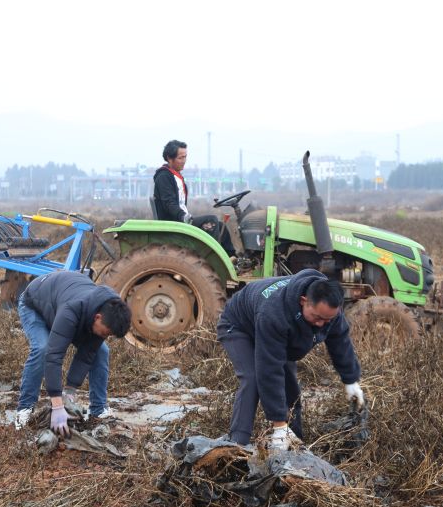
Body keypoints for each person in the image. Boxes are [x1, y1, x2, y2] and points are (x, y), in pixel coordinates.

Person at [217, 269, 365, 450]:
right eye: (317, 318)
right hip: (239, 325)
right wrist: (278, 424)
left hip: (271, 330)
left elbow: (340, 341)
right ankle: (238, 443)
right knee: (253, 377)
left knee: (290, 386)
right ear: (304, 301)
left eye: (326, 320)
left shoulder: (328, 310)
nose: (321, 324)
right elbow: (270, 369)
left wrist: (351, 380)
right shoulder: (274, 313)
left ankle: (294, 442)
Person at [14, 270, 132, 436]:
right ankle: (24, 409)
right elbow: (54, 357)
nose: (107, 336)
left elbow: (87, 355)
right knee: (43, 348)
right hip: (35, 305)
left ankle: (98, 409)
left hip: (61, 303)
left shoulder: (111, 309)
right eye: (106, 333)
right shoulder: (72, 310)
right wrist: (57, 405)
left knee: (101, 351)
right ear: (97, 317)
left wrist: (69, 392)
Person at [153, 140, 235, 255]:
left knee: (221, 226)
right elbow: (169, 203)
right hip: (174, 222)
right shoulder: (163, 177)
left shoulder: (175, 175)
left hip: (181, 219)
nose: (184, 161)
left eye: (185, 157)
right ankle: (212, 259)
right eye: (180, 158)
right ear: (169, 158)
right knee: (211, 220)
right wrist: (183, 216)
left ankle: (233, 259)